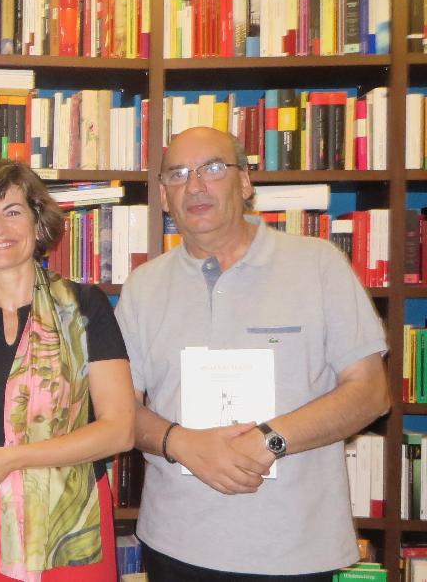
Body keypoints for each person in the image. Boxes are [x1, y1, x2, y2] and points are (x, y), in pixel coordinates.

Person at [114, 126, 391, 581]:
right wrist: (180, 442)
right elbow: (122, 407)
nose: (196, 185)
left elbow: (371, 392)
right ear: (164, 196)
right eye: (179, 174)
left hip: (295, 548)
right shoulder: (144, 285)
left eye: (213, 168)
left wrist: (270, 440)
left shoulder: (318, 264)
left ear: (245, 182)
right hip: (174, 542)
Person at [0, 160, 135, 582]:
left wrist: (13, 459)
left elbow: (120, 429)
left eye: (12, 211)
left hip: (68, 523)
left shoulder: (85, 308)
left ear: (38, 224)